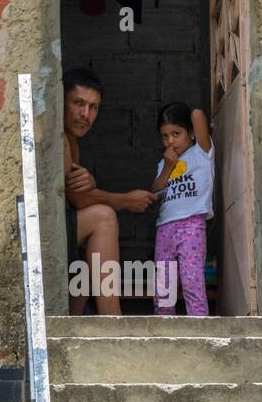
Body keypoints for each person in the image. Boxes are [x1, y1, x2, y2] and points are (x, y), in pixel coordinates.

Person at [62, 68, 159, 315]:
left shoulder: (71, 142)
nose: (85, 114)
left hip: (64, 239)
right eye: (78, 103)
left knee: (89, 252)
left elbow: (78, 196)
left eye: (93, 107)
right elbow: (78, 197)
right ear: (61, 100)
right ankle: (112, 320)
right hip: (40, 234)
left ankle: (77, 317)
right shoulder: (59, 138)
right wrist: (125, 200)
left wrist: (91, 185)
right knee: (103, 217)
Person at [150, 102, 214, 317]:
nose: (170, 141)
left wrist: (190, 119)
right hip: (165, 228)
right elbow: (156, 192)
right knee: (163, 287)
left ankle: (199, 328)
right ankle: (165, 330)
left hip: (192, 226)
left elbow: (197, 113)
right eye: (165, 136)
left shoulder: (202, 153)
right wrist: (168, 167)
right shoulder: (164, 163)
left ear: (191, 133)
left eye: (176, 133)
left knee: (192, 281)